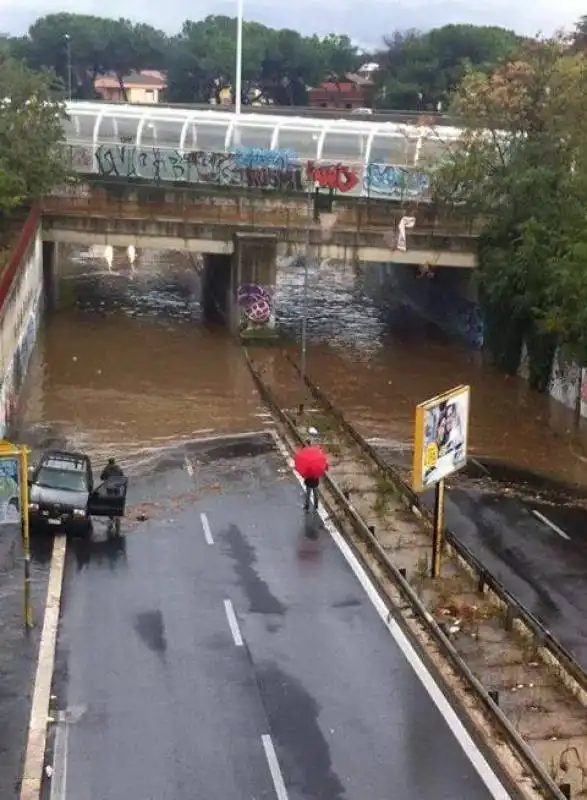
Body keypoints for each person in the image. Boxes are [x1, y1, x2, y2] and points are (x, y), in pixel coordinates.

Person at [296, 436, 328, 512]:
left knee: (308, 494)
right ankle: (316, 505)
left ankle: (307, 506)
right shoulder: (315, 454)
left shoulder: (306, 457)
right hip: (315, 480)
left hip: (308, 481)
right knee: (316, 493)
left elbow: (303, 470)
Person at [100, 458, 124, 536]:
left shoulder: (106, 469)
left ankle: (111, 519)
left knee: (109, 506)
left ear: (109, 462)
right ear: (114, 462)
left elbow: (102, 477)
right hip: (117, 490)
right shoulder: (119, 469)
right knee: (117, 506)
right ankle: (117, 521)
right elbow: (122, 477)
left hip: (110, 490)